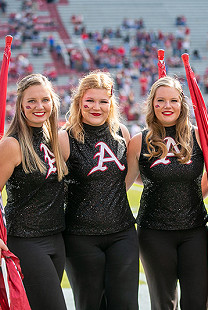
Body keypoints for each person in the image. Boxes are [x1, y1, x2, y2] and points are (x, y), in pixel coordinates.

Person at [0, 74, 68, 310]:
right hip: (26, 241)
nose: (39, 107)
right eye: (31, 101)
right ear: (20, 106)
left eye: (45, 100)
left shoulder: (56, 140)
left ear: (53, 102)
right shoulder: (11, 145)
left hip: (57, 239)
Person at [126, 76, 208, 310]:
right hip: (154, 232)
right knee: (163, 302)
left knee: (197, 300)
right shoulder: (138, 141)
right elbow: (123, 186)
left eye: (173, 100)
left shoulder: (199, 136)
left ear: (182, 105)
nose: (167, 106)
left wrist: (191, 200)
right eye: (160, 100)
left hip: (195, 230)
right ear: (152, 104)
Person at [59, 71, 139, 310]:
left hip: (122, 233)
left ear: (111, 102)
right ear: (79, 102)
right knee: (90, 305)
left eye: (103, 101)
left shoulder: (121, 134)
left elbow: (124, 180)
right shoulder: (64, 138)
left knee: (125, 304)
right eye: (90, 101)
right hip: (80, 237)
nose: (97, 107)